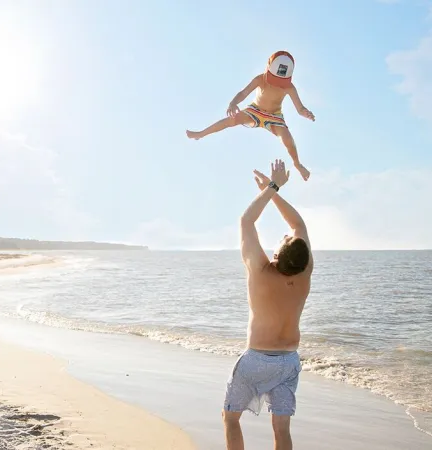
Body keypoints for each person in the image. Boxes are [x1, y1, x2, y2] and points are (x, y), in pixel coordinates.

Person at [223, 159, 313, 450]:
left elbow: (246, 221)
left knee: (231, 418)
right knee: (282, 429)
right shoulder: (304, 272)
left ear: (277, 254)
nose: (287, 234)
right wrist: (273, 191)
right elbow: (298, 225)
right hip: (288, 361)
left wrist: (272, 187)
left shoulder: (261, 272)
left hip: (257, 360)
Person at [186, 51, 315, 181]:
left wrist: (306, 113)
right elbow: (243, 93)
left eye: (280, 82)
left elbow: (300, 108)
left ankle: (297, 164)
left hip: (274, 116)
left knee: (287, 138)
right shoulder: (260, 79)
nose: (277, 84)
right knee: (232, 120)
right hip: (255, 110)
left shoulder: (289, 87)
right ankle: (201, 134)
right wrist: (233, 103)